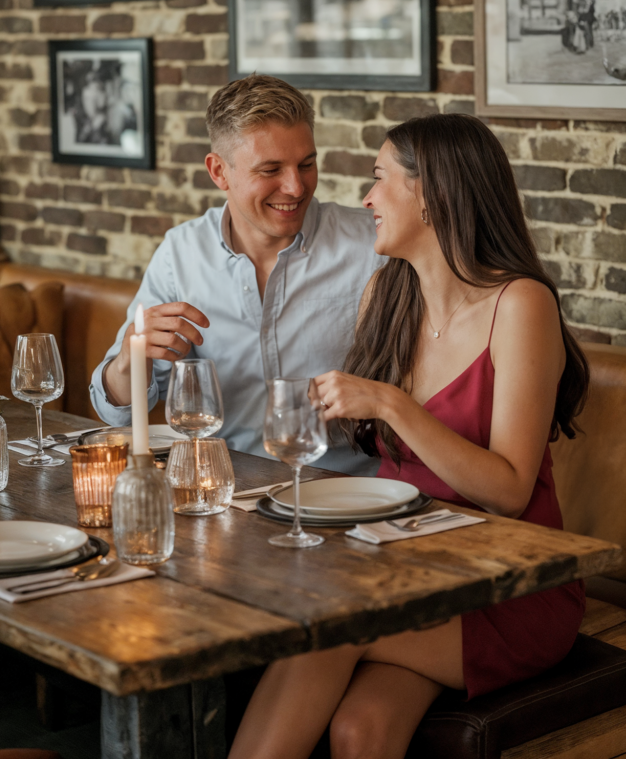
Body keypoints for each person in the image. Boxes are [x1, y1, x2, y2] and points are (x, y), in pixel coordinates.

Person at [228, 113, 588, 759]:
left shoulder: (521, 305)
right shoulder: (387, 296)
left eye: (379, 179)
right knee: (361, 731)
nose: (366, 199)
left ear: (434, 193)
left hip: (506, 586)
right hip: (404, 570)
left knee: (327, 628)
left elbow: (508, 490)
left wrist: (391, 404)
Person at [90, 74, 384, 474]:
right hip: (225, 494)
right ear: (218, 172)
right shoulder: (182, 253)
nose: (296, 187)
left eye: (307, 164)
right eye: (271, 170)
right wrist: (129, 359)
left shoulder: (372, 244)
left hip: (349, 493)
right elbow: (117, 413)